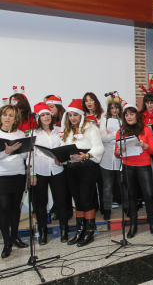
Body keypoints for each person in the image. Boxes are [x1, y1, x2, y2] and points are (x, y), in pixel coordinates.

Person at [60, 99, 105, 247]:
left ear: (81, 116)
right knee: (78, 201)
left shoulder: (91, 128)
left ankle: (89, 231)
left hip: (87, 168)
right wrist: (59, 158)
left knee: (87, 200)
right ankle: (79, 230)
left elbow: (99, 148)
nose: (73, 118)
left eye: (76, 115)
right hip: (72, 169)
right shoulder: (67, 131)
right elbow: (63, 149)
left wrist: (86, 155)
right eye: (70, 115)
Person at [115, 104, 153, 238]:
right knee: (131, 197)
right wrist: (118, 151)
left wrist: (144, 145)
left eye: (131, 114)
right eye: (126, 115)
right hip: (128, 166)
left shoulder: (146, 130)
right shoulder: (121, 131)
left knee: (149, 196)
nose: (129, 117)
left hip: (144, 165)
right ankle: (133, 225)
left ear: (136, 115)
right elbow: (117, 154)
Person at [31, 103, 69, 245]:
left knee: (61, 201)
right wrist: (32, 174)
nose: (46, 117)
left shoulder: (60, 131)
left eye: (47, 114)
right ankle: (43, 232)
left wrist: (63, 161)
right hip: (40, 171)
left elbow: (65, 151)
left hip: (57, 170)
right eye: (42, 115)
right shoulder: (34, 134)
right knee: (41, 203)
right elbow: (31, 156)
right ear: (38, 118)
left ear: (51, 116)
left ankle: (64, 230)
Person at [0, 105, 29, 258]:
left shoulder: (20, 134)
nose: (7, 118)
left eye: (11, 115)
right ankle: (6, 242)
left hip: (18, 174)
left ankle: (15, 237)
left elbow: (23, 158)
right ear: (0, 117)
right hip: (2, 176)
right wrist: (6, 152)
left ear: (15, 118)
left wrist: (26, 150)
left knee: (15, 208)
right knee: (3, 208)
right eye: (5, 115)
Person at [99, 97, 127, 220]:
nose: (114, 110)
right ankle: (106, 210)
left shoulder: (124, 119)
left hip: (122, 155)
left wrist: (110, 134)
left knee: (123, 184)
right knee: (107, 185)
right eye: (111, 108)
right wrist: (116, 134)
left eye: (116, 107)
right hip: (106, 156)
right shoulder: (104, 120)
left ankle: (127, 207)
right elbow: (103, 138)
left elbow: (126, 136)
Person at [82, 92, 105, 215]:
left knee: (102, 181)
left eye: (91, 100)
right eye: (86, 101)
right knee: (90, 182)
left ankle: (104, 206)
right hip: (89, 153)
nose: (89, 103)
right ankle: (94, 206)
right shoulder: (82, 117)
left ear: (96, 101)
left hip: (102, 151)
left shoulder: (103, 116)